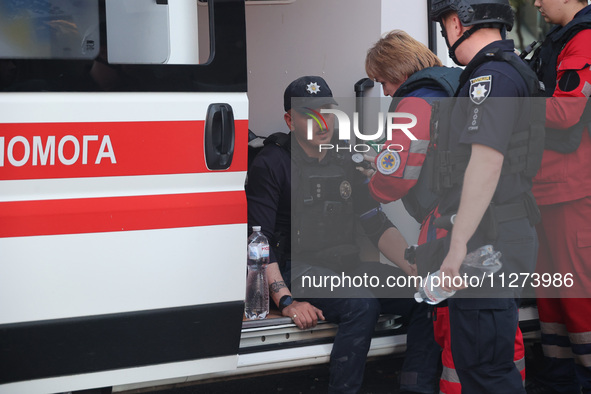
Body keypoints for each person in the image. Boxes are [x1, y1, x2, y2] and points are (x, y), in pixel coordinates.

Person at [246, 75, 440, 394]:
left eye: (327, 112)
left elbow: (374, 221)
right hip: (297, 268)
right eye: (309, 113)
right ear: (290, 120)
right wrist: (286, 301)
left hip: (343, 268)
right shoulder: (272, 162)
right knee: (361, 304)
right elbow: (260, 240)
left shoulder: (344, 157)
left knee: (424, 297)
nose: (321, 121)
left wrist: (414, 269)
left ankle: (415, 387)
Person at [365, 29, 527, 394]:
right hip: (494, 223)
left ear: (396, 69)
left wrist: (371, 184)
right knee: (499, 333)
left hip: (448, 224)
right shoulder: (463, 84)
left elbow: (397, 176)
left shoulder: (417, 101)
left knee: (456, 331)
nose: (386, 91)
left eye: (383, 81)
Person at [429, 0, 544, 392]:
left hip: (489, 240)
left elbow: (486, 162)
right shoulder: (503, 71)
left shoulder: (491, 77)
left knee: (485, 367)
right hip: (498, 233)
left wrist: (458, 247)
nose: (446, 34)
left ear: (457, 22)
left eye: (445, 25)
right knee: (480, 361)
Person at [526, 1, 591, 393]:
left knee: (576, 293)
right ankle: (560, 381)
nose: (534, 3)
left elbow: (566, 113)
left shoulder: (583, 39)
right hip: (546, 188)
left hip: (572, 188)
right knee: (550, 297)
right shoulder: (557, 41)